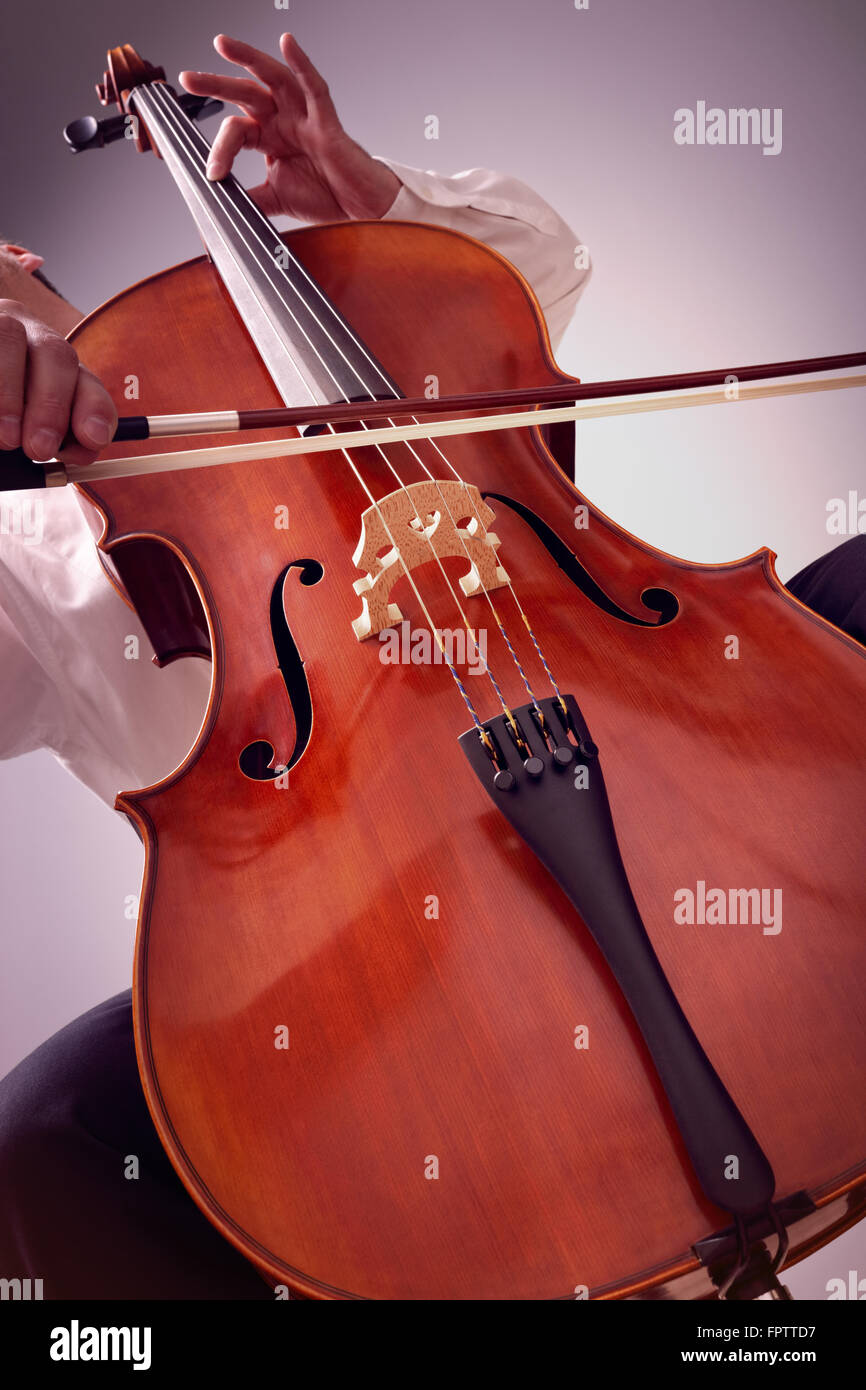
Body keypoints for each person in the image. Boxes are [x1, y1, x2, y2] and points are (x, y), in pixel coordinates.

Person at [0, 32, 863, 1301]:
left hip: (615, 704)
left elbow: (536, 270)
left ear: (20, 261)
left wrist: (380, 209)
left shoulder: (360, 311)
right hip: (352, 941)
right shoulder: (26, 558)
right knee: (40, 1139)